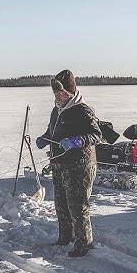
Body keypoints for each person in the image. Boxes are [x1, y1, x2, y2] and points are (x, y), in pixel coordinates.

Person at [36, 70, 102, 257]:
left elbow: (97, 135)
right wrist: (44, 138)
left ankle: (83, 244)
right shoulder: (56, 111)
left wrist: (78, 141)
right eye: (56, 94)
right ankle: (65, 237)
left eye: (61, 93)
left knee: (78, 205)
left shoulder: (83, 110)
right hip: (59, 163)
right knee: (61, 204)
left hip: (80, 165)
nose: (58, 97)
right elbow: (52, 132)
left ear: (71, 93)